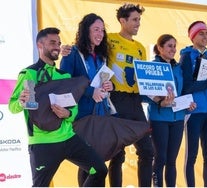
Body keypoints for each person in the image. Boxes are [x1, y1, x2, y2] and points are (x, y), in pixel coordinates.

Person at [8, 27, 108, 187]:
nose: (57, 46)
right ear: (39, 45)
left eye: (59, 43)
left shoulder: (64, 75)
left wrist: (67, 113)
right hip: (42, 142)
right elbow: (13, 107)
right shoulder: (29, 74)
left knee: (100, 169)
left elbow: (73, 109)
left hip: (68, 137)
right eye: (52, 42)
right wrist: (20, 102)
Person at [59, 13, 113, 186]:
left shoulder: (102, 56)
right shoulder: (72, 53)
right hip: (81, 116)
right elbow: (65, 85)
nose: (100, 34)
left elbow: (103, 82)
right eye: (96, 29)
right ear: (85, 31)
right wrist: (91, 92)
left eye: (102, 30)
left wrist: (108, 87)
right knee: (87, 164)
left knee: (99, 161)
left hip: (101, 115)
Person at [107, 3, 154, 187]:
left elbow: (144, 80)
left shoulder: (141, 48)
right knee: (117, 155)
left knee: (147, 151)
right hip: (116, 99)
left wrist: (158, 96)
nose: (138, 23)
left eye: (139, 20)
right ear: (122, 21)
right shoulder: (109, 40)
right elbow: (90, 52)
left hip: (135, 102)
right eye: (134, 20)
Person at [178, 21, 207, 187]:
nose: (205, 36)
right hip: (194, 111)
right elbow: (187, 86)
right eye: (201, 33)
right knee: (191, 155)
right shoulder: (186, 56)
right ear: (193, 36)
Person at [146, 34, 196, 187]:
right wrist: (160, 102)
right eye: (169, 46)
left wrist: (188, 104)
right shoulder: (152, 66)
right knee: (160, 157)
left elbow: (181, 92)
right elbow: (145, 91)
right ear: (160, 48)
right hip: (159, 118)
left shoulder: (178, 68)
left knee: (172, 159)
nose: (173, 49)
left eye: (174, 46)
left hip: (178, 119)